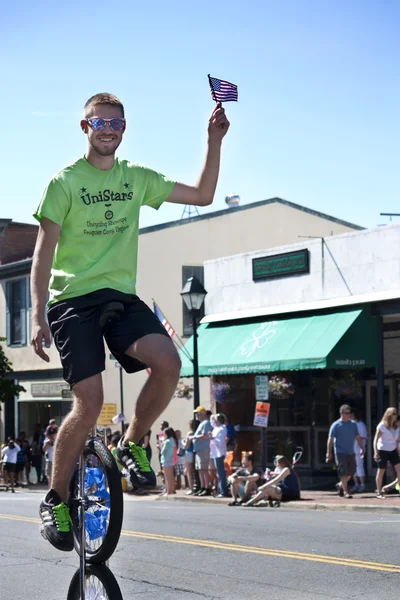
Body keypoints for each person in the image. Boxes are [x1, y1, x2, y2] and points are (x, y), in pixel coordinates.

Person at [30, 92, 230, 551]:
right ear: (85, 127)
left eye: (116, 124)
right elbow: (42, 255)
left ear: (124, 130)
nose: (108, 130)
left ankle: (131, 443)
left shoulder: (136, 178)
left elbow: (202, 195)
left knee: (169, 363)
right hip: (72, 302)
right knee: (90, 399)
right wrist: (38, 313)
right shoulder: (63, 183)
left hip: (119, 296)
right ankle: (56, 498)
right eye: (99, 123)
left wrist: (213, 139)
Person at [326, 404, 364, 499]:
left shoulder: (353, 424)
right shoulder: (336, 425)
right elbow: (330, 440)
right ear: (341, 413)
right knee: (342, 471)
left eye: (349, 413)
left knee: (353, 470)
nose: (348, 415)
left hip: (350, 451)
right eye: (346, 413)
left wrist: (361, 448)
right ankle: (346, 491)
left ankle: (340, 485)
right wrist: (329, 453)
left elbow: (357, 437)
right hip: (339, 451)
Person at [373, 407, 400, 499]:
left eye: (396, 413)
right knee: (381, 471)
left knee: (399, 469)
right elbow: (376, 439)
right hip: (382, 450)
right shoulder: (382, 426)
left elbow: (396, 440)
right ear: (389, 415)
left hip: (393, 450)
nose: (396, 415)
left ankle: (392, 487)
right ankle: (379, 492)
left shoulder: (396, 426)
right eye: (394, 413)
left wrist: (398, 451)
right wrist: (375, 452)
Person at [190, 406, 213, 496]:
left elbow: (205, 435)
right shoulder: (202, 423)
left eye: (198, 413)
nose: (196, 415)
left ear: (203, 414)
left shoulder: (206, 423)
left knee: (204, 469)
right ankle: (202, 487)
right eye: (196, 413)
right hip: (199, 450)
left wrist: (194, 437)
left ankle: (207, 488)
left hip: (204, 449)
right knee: (200, 470)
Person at [209, 414, 229, 497]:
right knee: (218, 473)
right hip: (215, 453)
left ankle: (224, 491)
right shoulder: (216, 428)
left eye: (216, 419)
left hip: (219, 453)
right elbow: (212, 423)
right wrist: (212, 417)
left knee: (220, 473)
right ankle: (221, 490)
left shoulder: (222, 429)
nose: (214, 421)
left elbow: (220, 442)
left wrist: (212, 438)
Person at [350, 410, 367, 493]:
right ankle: (356, 484)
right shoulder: (350, 424)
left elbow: (364, 436)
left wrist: (356, 437)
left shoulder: (361, 424)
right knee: (353, 468)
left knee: (359, 466)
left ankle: (362, 484)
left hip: (358, 449)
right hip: (351, 449)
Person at [160, 428, 177, 496]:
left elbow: (162, 451)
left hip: (166, 460)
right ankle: (171, 490)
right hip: (170, 459)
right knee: (171, 476)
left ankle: (168, 491)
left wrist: (161, 444)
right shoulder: (172, 440)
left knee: (167, 476)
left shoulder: (167, 442)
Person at [183, 420, 196, 495]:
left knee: (189, 472)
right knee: (195, 472)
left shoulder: (190, 433)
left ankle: (191, 489)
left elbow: (187, 445)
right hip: (194, 452)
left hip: (188, 453)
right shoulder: (196, 432)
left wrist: (183, 443)